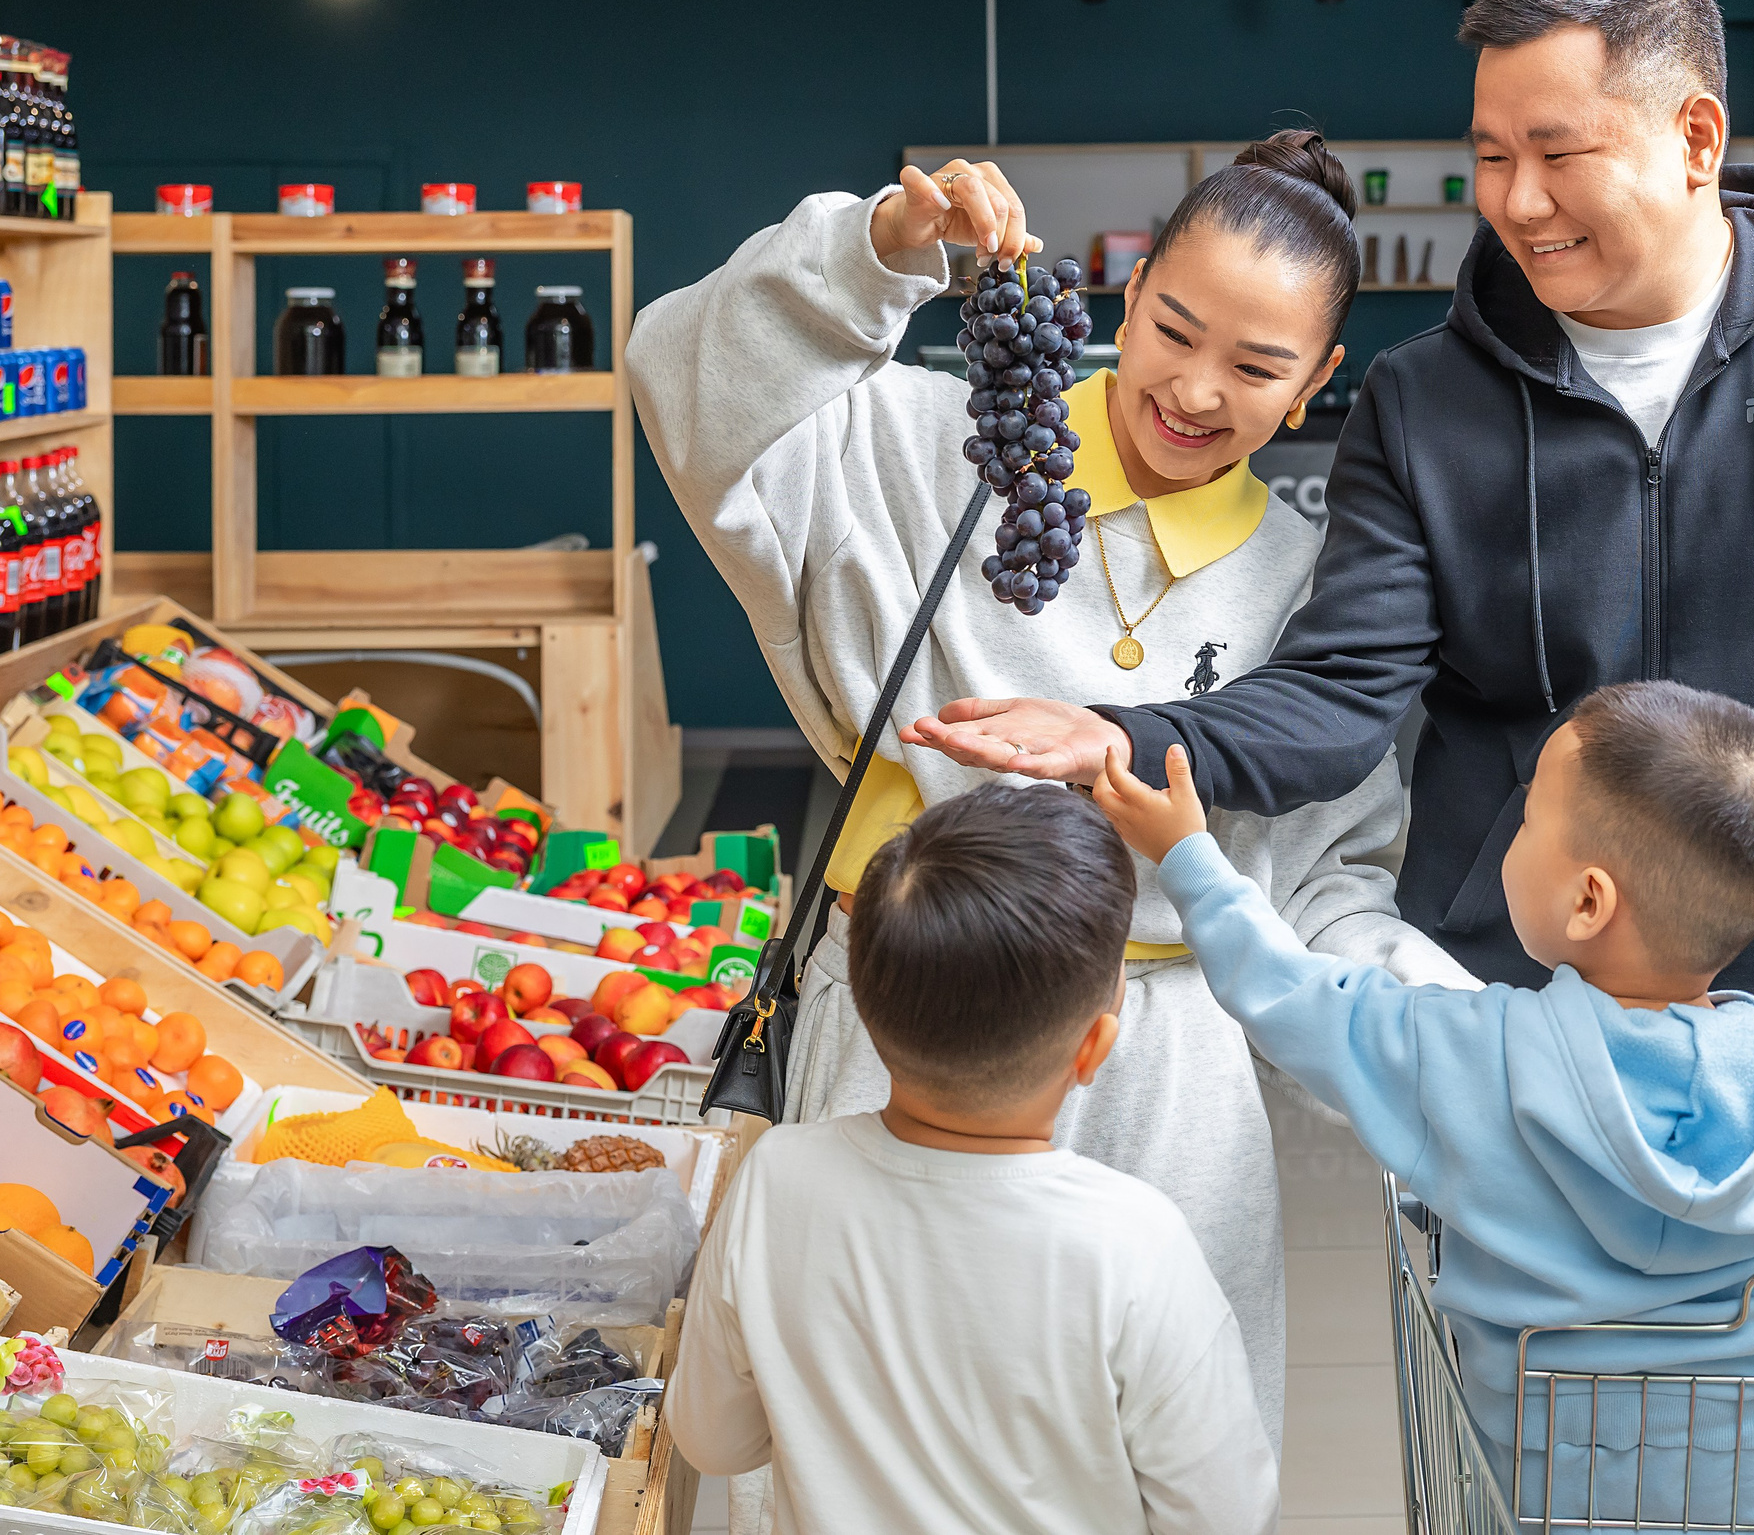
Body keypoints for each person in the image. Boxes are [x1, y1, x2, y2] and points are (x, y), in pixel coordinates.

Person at [909, 0, 1754, 1155]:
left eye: (1558, 154)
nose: (1515, 202)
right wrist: (1123, 734)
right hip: (1501, 1027)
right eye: (1491, 156)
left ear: (1697, 138)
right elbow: (1342, 697)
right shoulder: (1424, 400)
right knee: (1509, 1352)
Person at [629, 132, 1477, 1457]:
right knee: (856, 1435)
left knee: (1150, 1447)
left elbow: (1326, 880)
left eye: (1256, 367)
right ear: (1127, 298)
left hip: (1167, 1074)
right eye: (1175, 328)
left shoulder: (1315, 585)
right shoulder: (926, 442)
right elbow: (689, 381)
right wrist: (875, 249)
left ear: (1316, 384)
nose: (1194, 390)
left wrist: (1469, 1045)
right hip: (907, 1012)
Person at [1092, 682, 1754, 1528]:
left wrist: (1189, 856)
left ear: (1587, 900)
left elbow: (1290, 995)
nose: (1513, 828)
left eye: (1530, 816)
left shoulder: (1473, 1050)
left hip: (1538, 1482)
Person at [665, 782, 1282, 1535]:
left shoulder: (776, 1183)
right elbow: (1226, 1514)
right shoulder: (1137, 1244)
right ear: (1094, 1047)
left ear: (861, 993)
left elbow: (712, 1437)